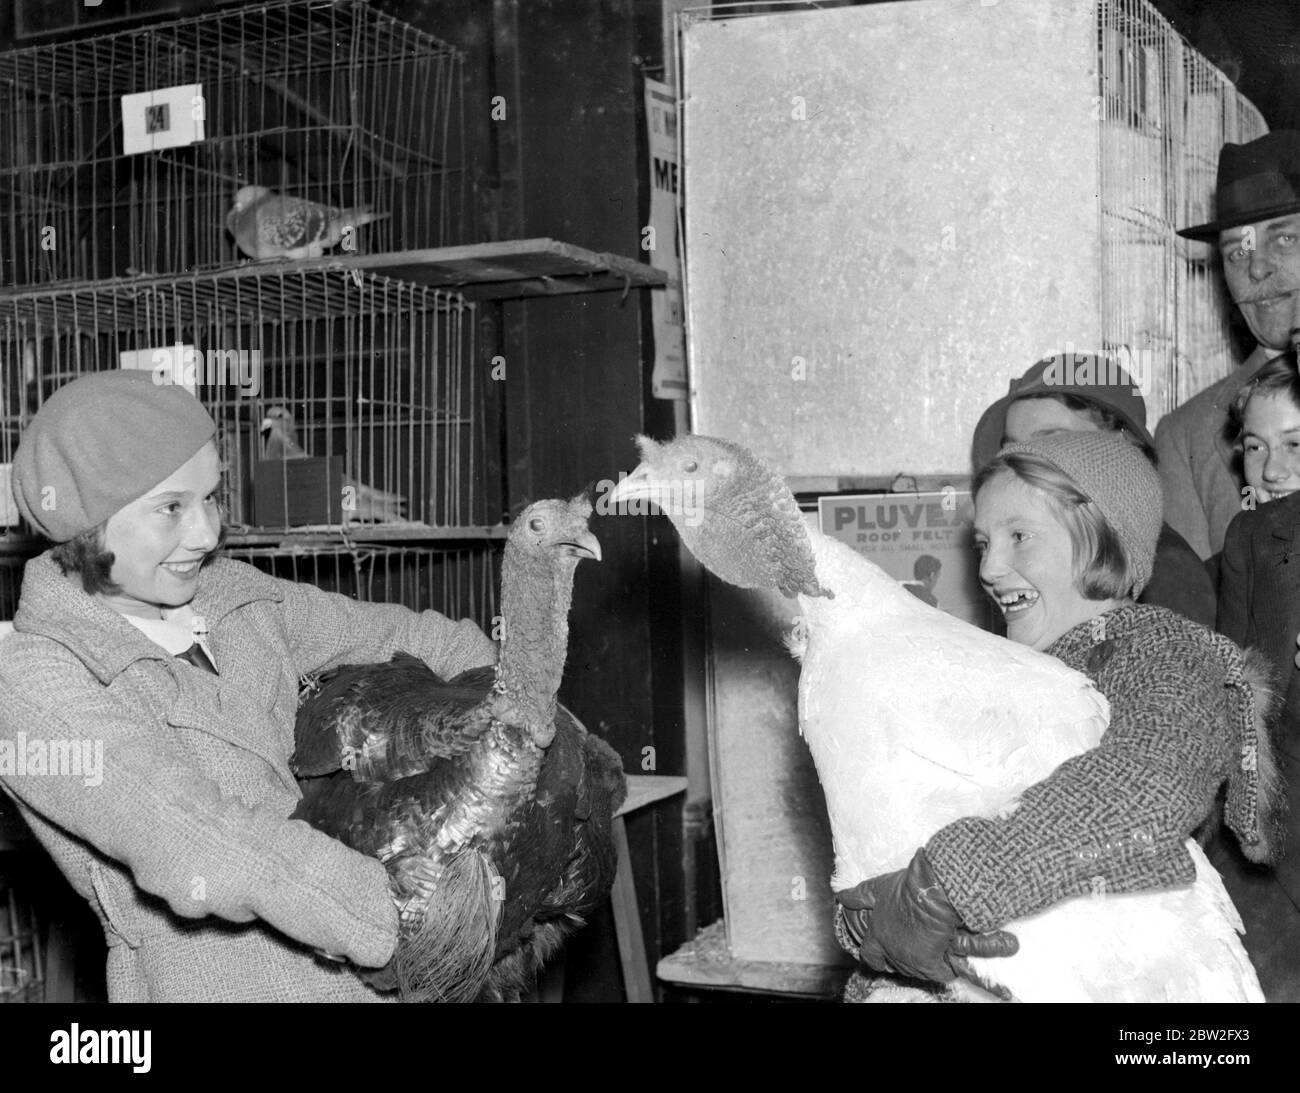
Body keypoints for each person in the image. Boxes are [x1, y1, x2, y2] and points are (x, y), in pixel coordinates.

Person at [0, 371, 496, 1002]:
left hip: (371, 980)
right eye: (171, 508)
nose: (207, 534)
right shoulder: (33, 688)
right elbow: (199, 840)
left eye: (212, 498)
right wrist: (409, 912)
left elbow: (406, 636)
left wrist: (512, 702)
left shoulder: (234, 595)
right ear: (84, 521)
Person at [833, 431, 1279, 998]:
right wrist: (866, 921)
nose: (991, 567)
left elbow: (1146, 786)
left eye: (1020, 537)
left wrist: (946, 885)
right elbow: (897, 817)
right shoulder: (988, 670)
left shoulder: (1162, 650)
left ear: (1100, 538)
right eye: (982, 543)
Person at [971, 352, 1216, 627]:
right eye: (1011, 448)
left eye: (1053, 442)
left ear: (1120, 449)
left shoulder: (1167, 569)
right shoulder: (1019, 561)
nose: (1023, 462)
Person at [1157, 130, 1300, 564]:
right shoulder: (1188, 435)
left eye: (1285, 238)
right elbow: (1189, 619)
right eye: (1237, 252)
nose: (1256, 267)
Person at [1213, 350, 1300, 1001]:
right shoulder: (1247, 538)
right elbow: (1235, 667)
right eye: (1254, 446)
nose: (1271, 470)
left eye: (1296, 444)